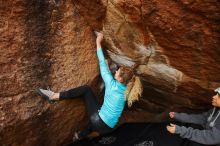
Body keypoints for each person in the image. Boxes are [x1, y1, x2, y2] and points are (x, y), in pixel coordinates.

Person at [36, 32, 143, 142]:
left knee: (86, 90)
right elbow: (114, 86)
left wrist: (98, 42)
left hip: (98, 121)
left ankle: (53, 96)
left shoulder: (111, 84)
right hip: (108, 129)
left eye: (118, 72)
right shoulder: (127, 91)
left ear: (120, 79)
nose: (116, 71)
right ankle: (80, 136)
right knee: (100, 111)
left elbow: (101, 62)